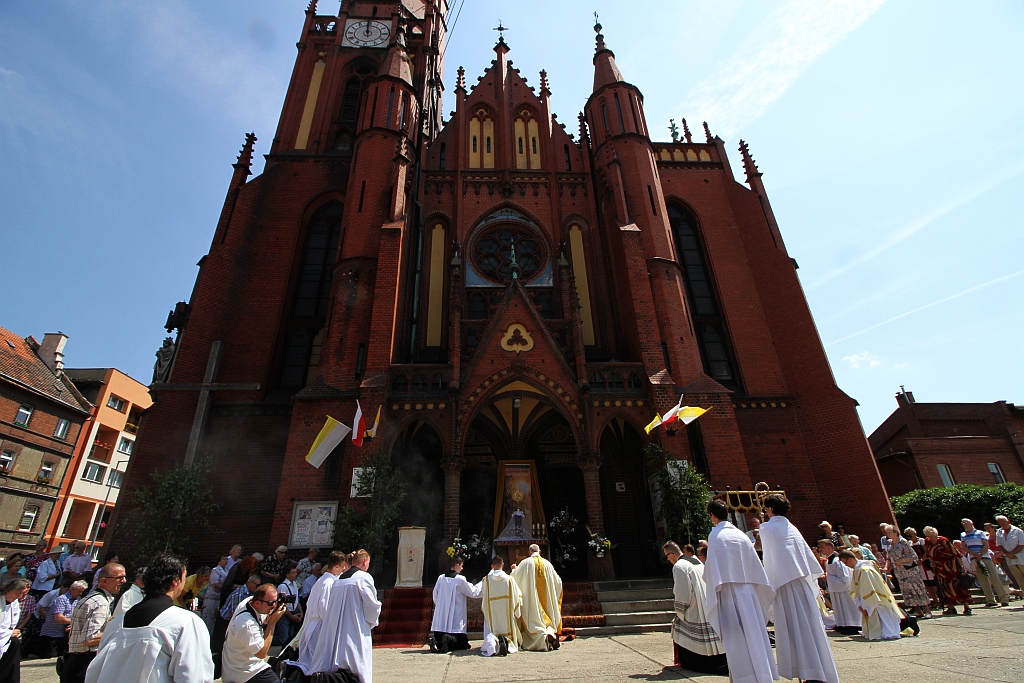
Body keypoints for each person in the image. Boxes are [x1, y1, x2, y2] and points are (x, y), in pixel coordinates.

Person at [84, 554, 214, 683]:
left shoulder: (116, 624)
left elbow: (96, 672)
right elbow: (193, 676)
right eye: (184, 577)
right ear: (175, 581)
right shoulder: (184, 622)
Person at [759, 495, 839, 683]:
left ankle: (807, 671)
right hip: (801, 582)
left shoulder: (767, 528)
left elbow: (770, 560)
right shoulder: (792, 527)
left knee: (794, 628)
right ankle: (817, 669)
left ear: (770, 509)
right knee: (809, 626)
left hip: (784, 584)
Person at [702, 499, 777, 683]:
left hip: (729, 592)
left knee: (736, 639)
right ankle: (762, 674)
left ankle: (745, 678)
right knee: (755, 634)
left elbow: (712, 570)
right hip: (749, 592)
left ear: (712, 515)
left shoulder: (716, 535)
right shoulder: (741, 535)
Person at [308, 549, 381, 683]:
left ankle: (324, 677)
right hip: (355, 627)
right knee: (355, 667)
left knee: (337, 661)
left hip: (335, 628)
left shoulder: (339, 579)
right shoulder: (364, 578)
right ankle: (324, 679)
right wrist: (372, 620)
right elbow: (372, 606)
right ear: (365, 561)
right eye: (368, 563)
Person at [662, 541, 726, 675]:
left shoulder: (679, 567)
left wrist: (681, 610)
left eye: (667, 556)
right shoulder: (696, 561)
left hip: (695, 606)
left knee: (677, 627)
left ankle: (693, 662)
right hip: (706, 603)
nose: (667, 559)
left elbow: (682, 592)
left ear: (672, 554)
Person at [61, 563, 125, 683]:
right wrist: (117, 633)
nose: (124, 581)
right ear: (104, 580)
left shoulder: (91, 598)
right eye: (119, 578)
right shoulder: (100, 603)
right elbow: (89, 639)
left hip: (75, 662)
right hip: (84, 665)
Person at [290, 550, 347, 676]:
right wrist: (333, 628)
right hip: (319, 627)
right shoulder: (329, 583)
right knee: (317, 664)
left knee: (310, 662)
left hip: (312, 624)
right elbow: (325, 608)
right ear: (336, 566)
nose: (343, 570)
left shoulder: (321, 581)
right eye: (343, 567)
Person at [222, 582, 286, 683]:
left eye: (275, 601)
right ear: (257, 603)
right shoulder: (247, 624)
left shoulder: (249, 601)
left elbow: (264, 619)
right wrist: (272, 624)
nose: (274, 606)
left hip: (246, 664)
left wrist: (272, 612)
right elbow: (261, 653)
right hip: (242, 671)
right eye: (270, 603)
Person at [841, 550, 906, 640]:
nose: (846, 565)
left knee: (884, 619)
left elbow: (868, 590)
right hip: (873, 598)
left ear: (850, 559)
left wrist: (864, 604)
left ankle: (887, 633)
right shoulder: (858, 569)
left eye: (845, 562)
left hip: (876, 599)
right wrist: (859, 604)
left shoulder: (865, 570)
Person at [428, 555, 481, 653]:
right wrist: (483, 583)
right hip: (456, 616)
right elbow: (472, 592)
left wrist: (440, 607)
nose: (462, 568)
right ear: (457, 565)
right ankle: (448, 640)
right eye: (461, 566)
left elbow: (435, 594)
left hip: (441, 617)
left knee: (440, 636)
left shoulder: (441, 578)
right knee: (463, 644)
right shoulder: (460, 579)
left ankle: (435, 641)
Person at [922, 526, 972, 615]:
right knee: (945, 588)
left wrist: (962, 567)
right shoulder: (927, 542)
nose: (931, 538)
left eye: (932, 536)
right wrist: (931, 562)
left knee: (958, 586)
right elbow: (928, 554)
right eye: (929, 536)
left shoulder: (943, 541)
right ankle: (950, 607)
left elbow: (955, 554)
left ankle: (966, 606)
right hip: (939, 570)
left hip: (951, 567)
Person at [883, 525, 931, 618]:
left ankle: (927, 610)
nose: (888, 534)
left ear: (895, 532)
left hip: (910, 571)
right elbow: (888, 557)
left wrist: (902, 560)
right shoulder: (889, 543)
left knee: (918, 589)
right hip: (900, 572)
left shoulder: (903, 542)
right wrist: (886, 567)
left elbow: (914, 556)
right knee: (908, 591)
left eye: (890, 532)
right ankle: (918, 610)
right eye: (887, 532)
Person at [479, 555, 522, 657]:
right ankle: (507, 643)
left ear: (492, 566)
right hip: (506, 610)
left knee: (492, 630)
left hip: (492, 611)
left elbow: (483, 596)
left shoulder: (487, 580)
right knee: (508, 627)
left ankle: (494, 645)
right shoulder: (509, 579)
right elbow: (517, 596)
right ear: (503, 565)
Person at [961, 518, 1009, 607]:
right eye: (963, 523)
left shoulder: (980, 533)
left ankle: (1004, 599)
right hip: (974, 558)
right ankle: (990, 600)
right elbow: (964, 547)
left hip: (985, 557)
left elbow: (986, 545)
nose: (964, 524)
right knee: (983, 580)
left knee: (994, 577)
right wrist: (974, 555)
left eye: (966, 522)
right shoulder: (963, 534)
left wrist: (980, 554)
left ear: (971, 523)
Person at [818, 539, 859, 634]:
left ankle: (853, 625)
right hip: (836, 590)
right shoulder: (828, 561)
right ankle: (842, 624)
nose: (820, 549)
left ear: (829, 547)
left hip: (844, 591)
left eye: (822, 547)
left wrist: (828, 578)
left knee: (848, 608)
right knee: (839, 609)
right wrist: (827, 578)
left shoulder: (837, 561)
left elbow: (844, 578)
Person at [38, 579, 81, 657]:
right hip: (51, 629)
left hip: (65, 629)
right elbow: (41, 608)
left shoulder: (78, 599)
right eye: (67, 589)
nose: (80, 594)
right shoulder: (56, 596)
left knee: (62, 654)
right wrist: (48, 618)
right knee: (49, 654)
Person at [0, 578, 30, 683]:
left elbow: (13, 620)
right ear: (12, 590)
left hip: (7, 637)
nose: (22, 597)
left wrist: (12, 631)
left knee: (15, 643)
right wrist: (9, 633)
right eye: (21, 593)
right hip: (3, 636)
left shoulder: (14, 603)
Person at [274, 562, 303, 646]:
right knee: (283, 639)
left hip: (293, 612)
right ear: (287, 575)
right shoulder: (283, 586)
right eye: (293, 573)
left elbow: (296, 600)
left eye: (296, 572)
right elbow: (281, 604)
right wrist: (291, 616)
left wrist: (301, 612)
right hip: (285, 614)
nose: (295, 574)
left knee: (290, 637)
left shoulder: (294, 584)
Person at [995, 515, 1024, 592]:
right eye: (1000, 524)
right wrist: (1007, 554)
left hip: (1021, 557)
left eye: (1004, 523)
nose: (1002, 526)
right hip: (1010, 559)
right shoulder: (999, 532)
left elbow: (1022, 544)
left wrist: (1012, 553)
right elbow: (999, 545)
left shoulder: (1017, 531)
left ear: (1008, 521)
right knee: (1019, 579)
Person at [203, 555, 230, 633]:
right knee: (208, 616)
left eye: (226, 559)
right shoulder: (215, 570)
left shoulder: (227, 570)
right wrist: (224, 589)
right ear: (219, 561)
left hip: (220, 597)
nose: (226, 560)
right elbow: (214, 584)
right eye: (223, 559)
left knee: (215, 617)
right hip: (211, 597)